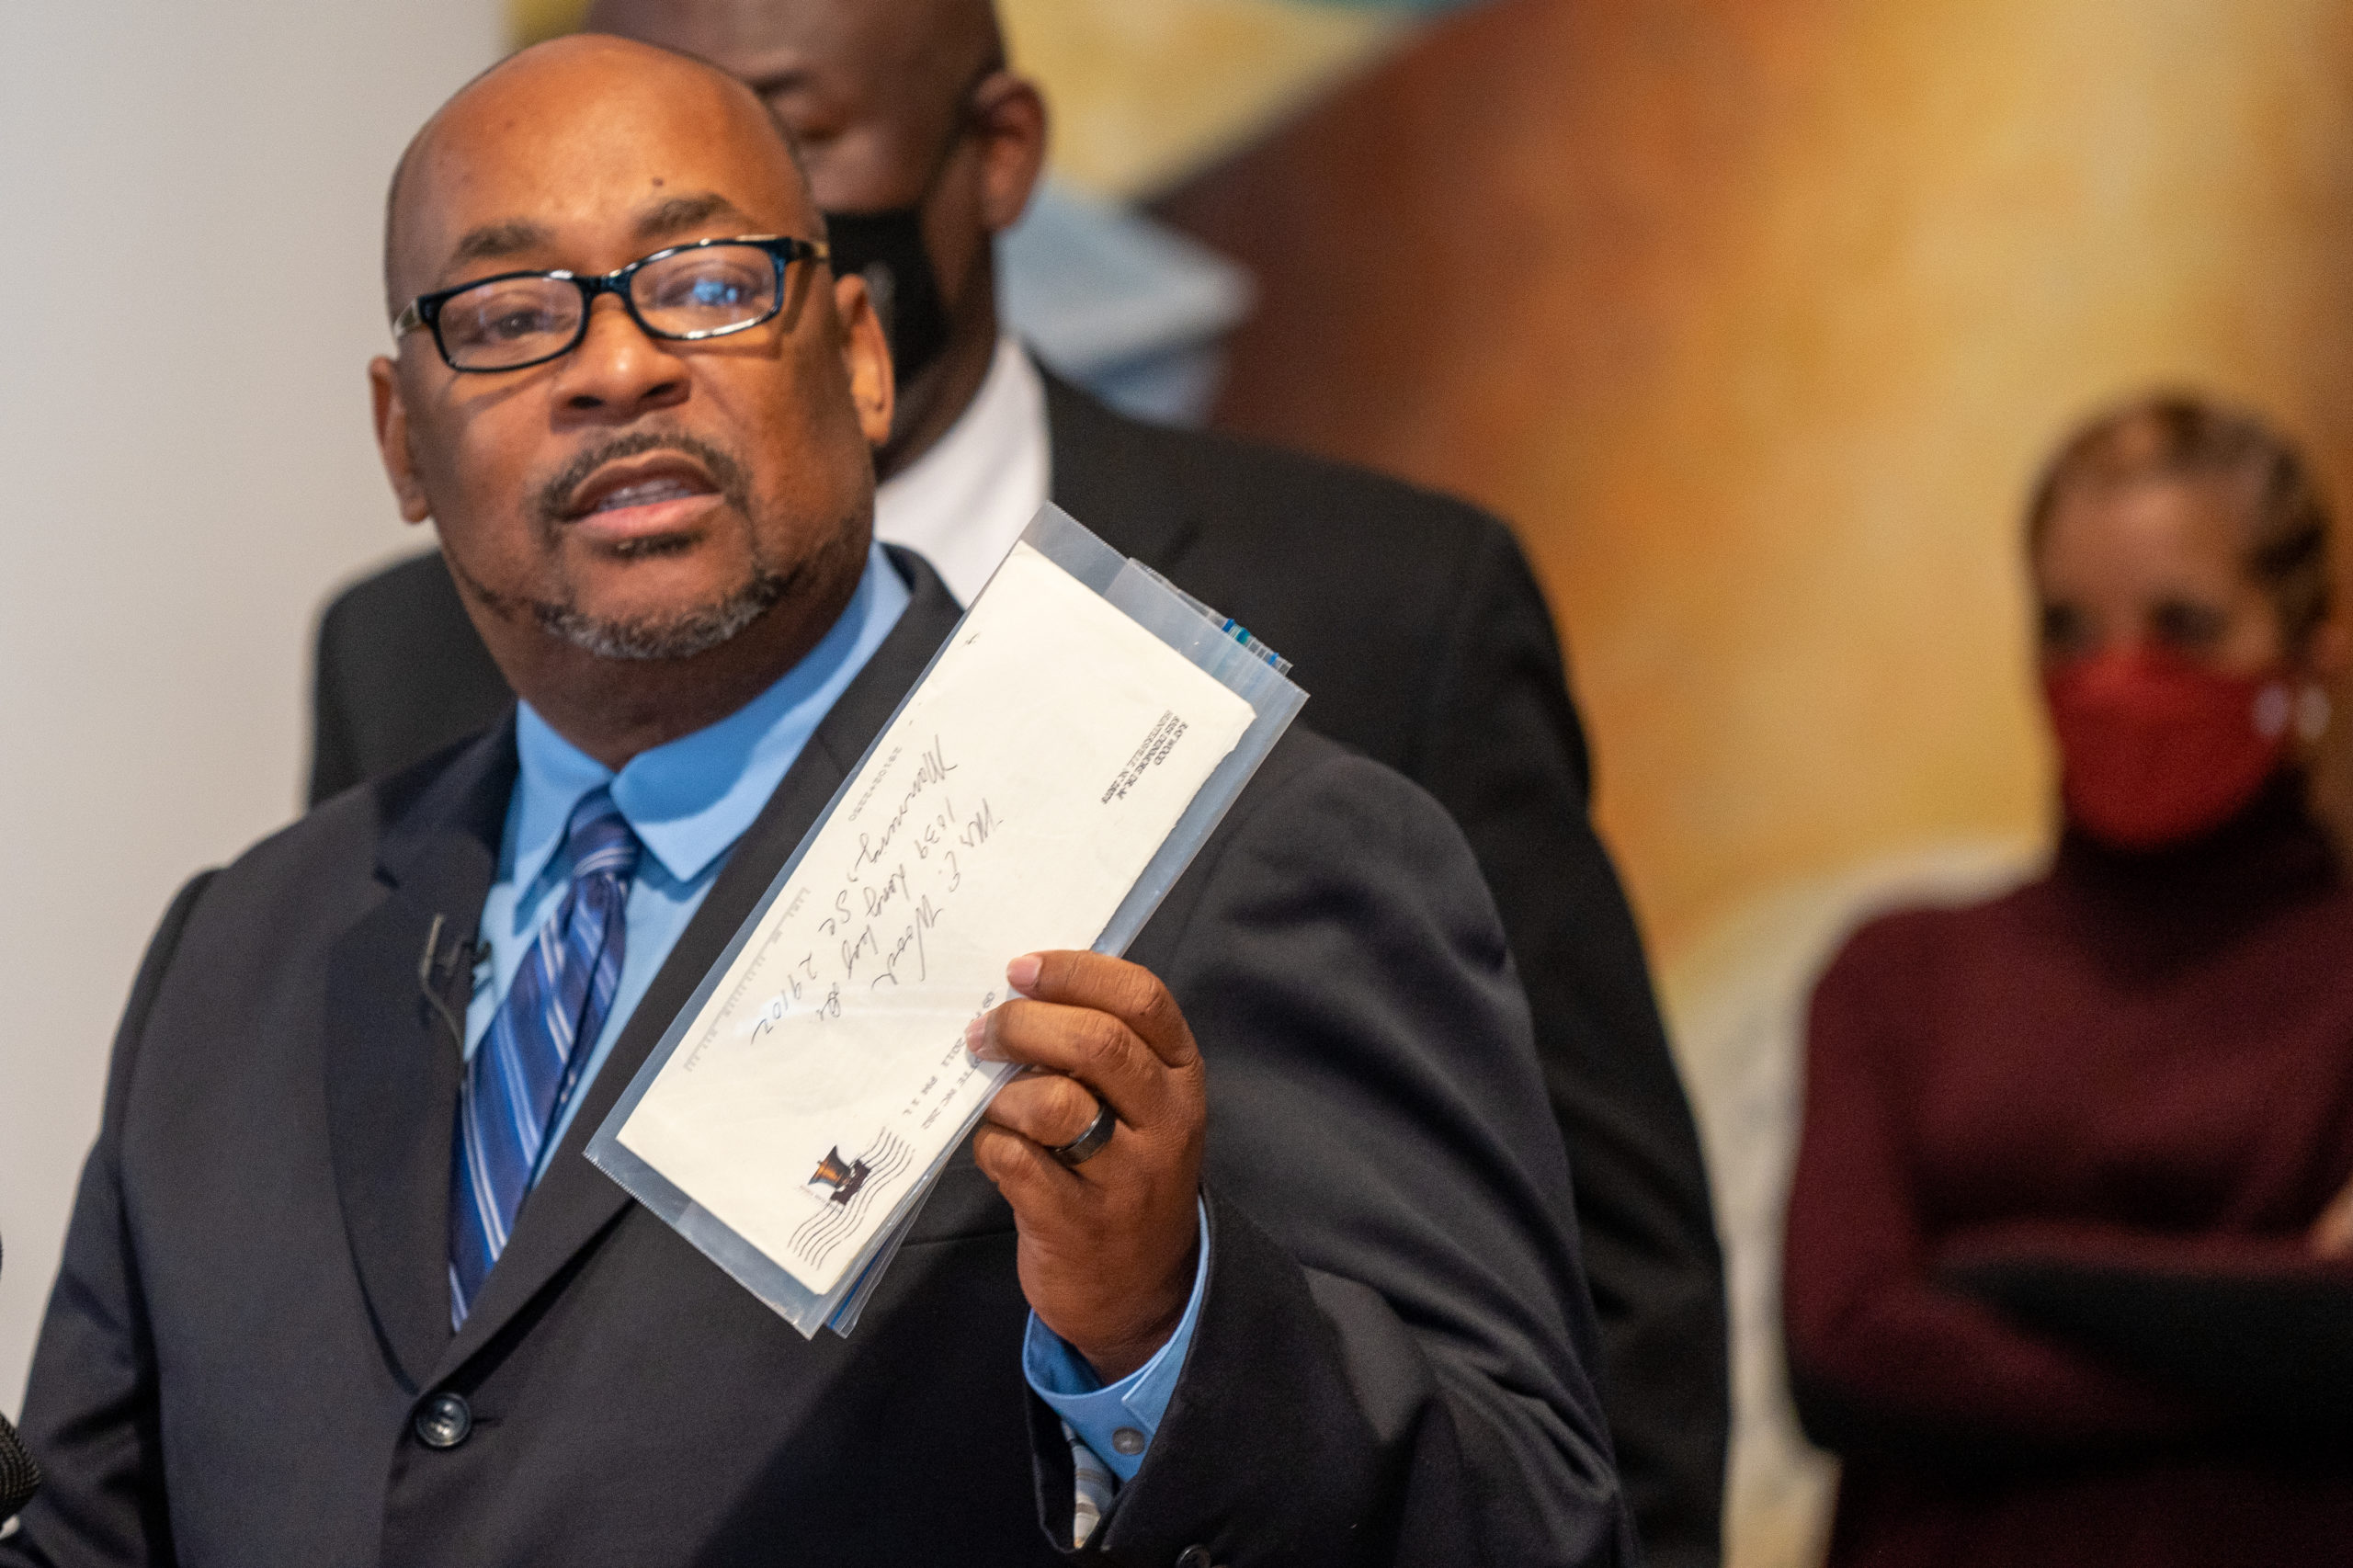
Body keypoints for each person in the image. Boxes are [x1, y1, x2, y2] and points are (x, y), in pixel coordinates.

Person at [4, 37, 1635, 1566]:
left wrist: (1165, 1330)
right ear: (402, 441)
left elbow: (1536, 1523)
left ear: (857, 354)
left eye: (706, 285)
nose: (620, 368)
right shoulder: (243, 950)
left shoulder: (1228, 844)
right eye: (509, 316)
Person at [1783, 392, 2353, 1566]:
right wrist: (2269, 1355)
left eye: (2182, 626)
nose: (2114, 678)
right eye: (2066, 629)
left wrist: (1998, 1277)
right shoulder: (1900, 970)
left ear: (2311, 653)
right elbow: (1842, 1350)